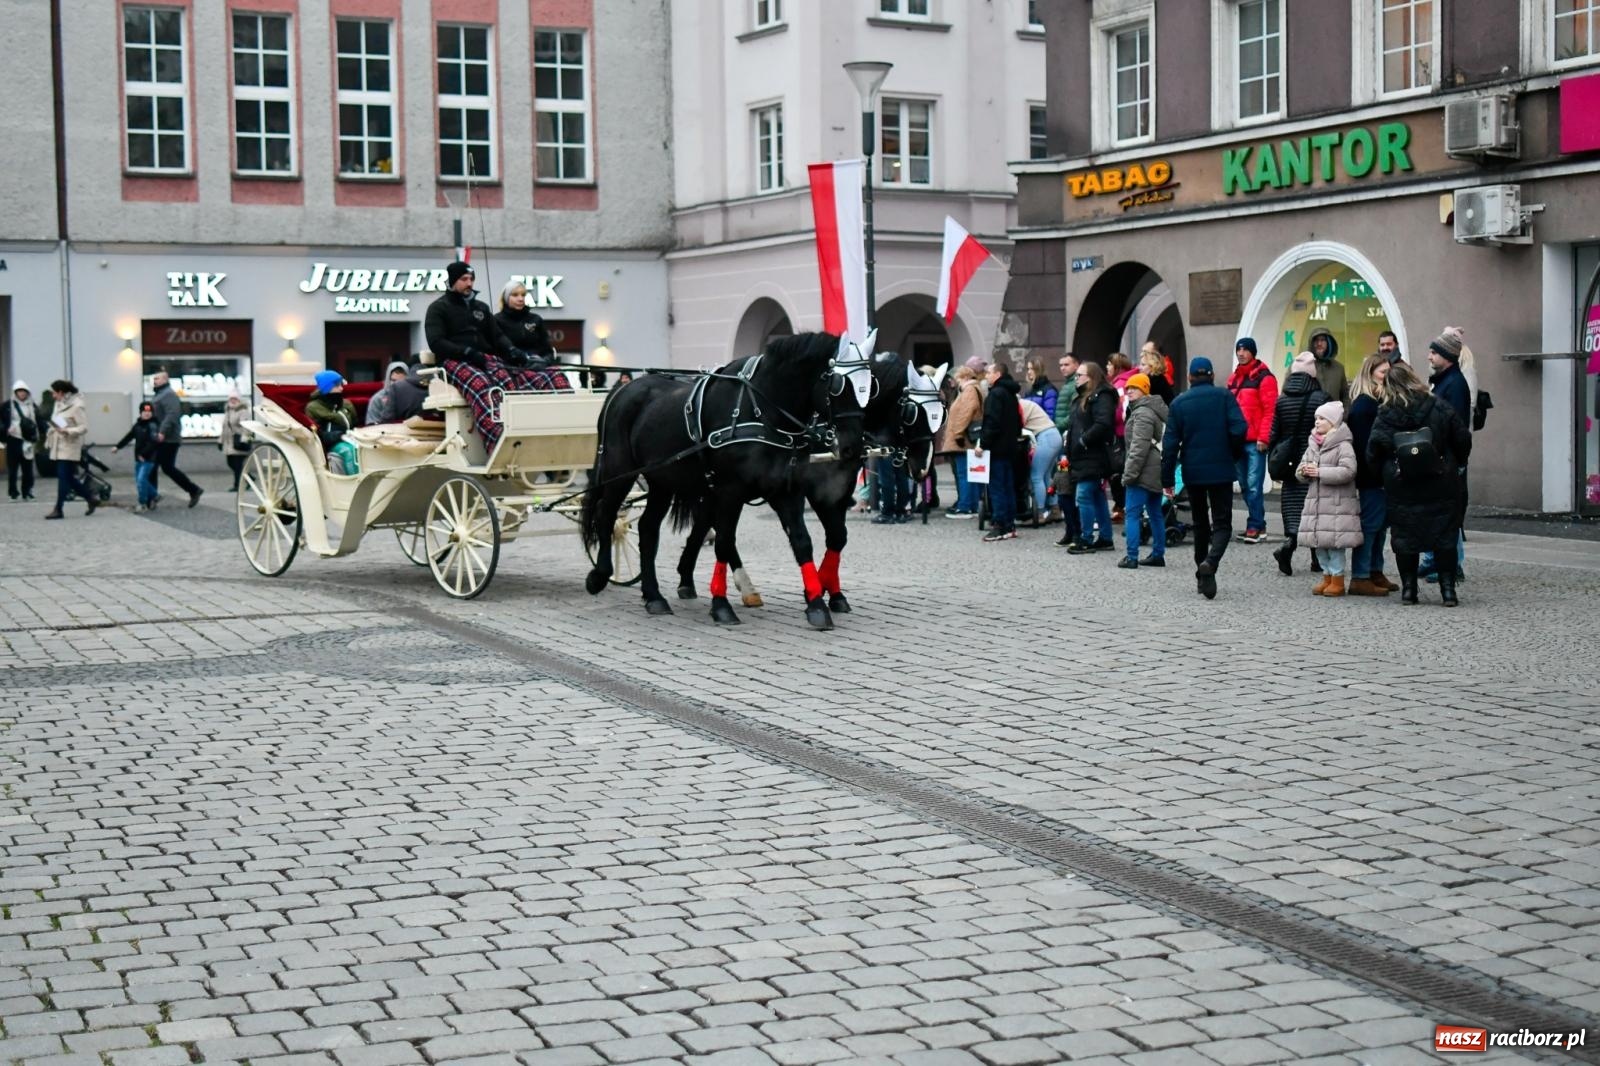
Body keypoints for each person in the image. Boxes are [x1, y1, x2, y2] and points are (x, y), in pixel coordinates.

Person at [1368, 361, 1472, 607]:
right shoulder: (1438, 405)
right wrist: (1453, 463)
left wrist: (1385, 474)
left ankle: (1409, 590)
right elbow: (1462, 438)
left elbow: (1373, 451)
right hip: (1440, 481)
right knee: (1444, 536)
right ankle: (1448, 591)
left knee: (1405, 538)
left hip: (1402, 484)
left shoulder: (1385, 413)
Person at [1160, 357, 1246, 600]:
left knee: (1199, 523)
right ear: (1211, 375)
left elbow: (1169, 445)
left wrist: (1167, 479)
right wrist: (1233, 454)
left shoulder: (1179, 403)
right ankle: (1211, 562)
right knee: (1222, 524)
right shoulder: (1225, 397)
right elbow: (1240, 428)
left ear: (1189, 377)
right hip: (1221, 469)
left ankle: (1202, 571)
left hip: (1193, 471)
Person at [1267, 353, 1329, 576]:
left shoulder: (1282, 400)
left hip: (1290, 462)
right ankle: (1317, 559)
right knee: (1314, 508)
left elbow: (1273, 434)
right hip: (1314, 459)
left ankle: (1289, 545)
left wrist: (1274, 464)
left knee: (1294, 508)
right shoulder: (1321, 399)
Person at [1294, 400, 1361, 597]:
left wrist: (1320, 472)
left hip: (1336, 504)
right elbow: (1300, 469)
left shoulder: (1343, 445)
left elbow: (1349, 471)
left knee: (1335, 545)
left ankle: (1338, 579)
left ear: (1333, 422)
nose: (1317, 422)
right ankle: (1327, 577)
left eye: (1322, 418)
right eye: (1316, 418)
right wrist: (1304, 472)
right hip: (1317, 503)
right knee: (1321, 545)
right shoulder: (1313, 443)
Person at [1346, 355, 1396, 596]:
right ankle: (1361, 575)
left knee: (1380, 526)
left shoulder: (1375, 402)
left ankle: (1375, 570)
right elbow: (1367, 446)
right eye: (1382, 372)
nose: (1387, 376)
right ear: (1371, 373)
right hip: (1371, 475)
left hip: (1378, 474)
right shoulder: (1365, 405)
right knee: (1370, 525)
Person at [425, 261, 532, 369]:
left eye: (471, 279)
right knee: (487, 385)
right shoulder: (438, 308)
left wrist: (512, 349)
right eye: (464, 279)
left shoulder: (481, 307)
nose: (469, 283)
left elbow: (497, 335)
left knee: (517, 382)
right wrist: (467, 352)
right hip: (454, 361)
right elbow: (436, 342)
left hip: (484, 359)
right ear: (453, 281)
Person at [1226, 337, 1278, 543]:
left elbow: (1270, 411)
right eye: (1238, 349)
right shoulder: (1233, 379)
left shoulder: (1265, 378)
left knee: (1254, 485)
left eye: (1245, 350)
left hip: (1256, 440)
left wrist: (1264, 438)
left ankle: (1255, 525)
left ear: (1252, 352)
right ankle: (1259, 524)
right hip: (1238, 440)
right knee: (1245, 485)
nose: (1241, 353)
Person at [1064, 361, 1117, 554]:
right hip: (1083, 455)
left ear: (1091, 377)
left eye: (1080, 375)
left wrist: (1083, 441)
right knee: (1096, 497)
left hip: (1093, 455)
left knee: (1084, 495)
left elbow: (1103, 423)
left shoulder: (1101, 396)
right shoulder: (1083, 397)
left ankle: (1086, 538)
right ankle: (1105, 537)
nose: (1076, 378)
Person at [1118, 372, 1168, 569]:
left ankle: (1131, 557)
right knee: (1155, 512)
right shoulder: (1150, 410)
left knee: (1132, 513)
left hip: (1143, 470)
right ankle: (1158, 554)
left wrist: (1129, 475)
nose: (1129, 390)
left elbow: (1139, 448)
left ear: (1144, 390)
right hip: (1154, 468)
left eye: (1135, 388)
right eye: (1128, 387)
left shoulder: (1143, 413)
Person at [972, 361, 1021, 542]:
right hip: (1010, 448)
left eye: (989, 373)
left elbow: (992, 423)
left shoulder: (995, 395)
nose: (986, 376)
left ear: (998, 374)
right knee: (1008, 487)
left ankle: (1000, 525)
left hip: (997, 449)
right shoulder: (1010, 394)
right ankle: (1009, 524)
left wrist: (982, 444)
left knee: (997, 488)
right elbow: (1018, 422)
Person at [149, 369, 204, 508]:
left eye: (158, 378)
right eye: (154, 378)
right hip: (160, 437)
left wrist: (162, 431)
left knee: (166, 467)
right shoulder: (159, 394)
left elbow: (172, 414)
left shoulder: (168, 394)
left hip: (169, 438)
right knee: (155, 467)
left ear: (165, 380)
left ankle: (193, 489)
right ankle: (152, 496)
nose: (155, 381)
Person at [43, 380, 96, 520]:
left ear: (61, 392)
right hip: (58, 445)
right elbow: (57, 420)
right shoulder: (59, 403)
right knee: (68, 478)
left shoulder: (77, 405)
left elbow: (84, 427)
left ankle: (58, 509)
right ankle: (91, 498)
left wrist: (67, 430)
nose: (53, 395)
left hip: (69, 446)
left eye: (54, 392)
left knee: (63, 478)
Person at [944, 358, 988, 518]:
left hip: (962, 439)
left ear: (964, 377)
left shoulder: (969, 390)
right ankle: (972, 505)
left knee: (964, 473)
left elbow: (966, 412)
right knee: (970, 473)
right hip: (965, 438)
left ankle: (965, 506)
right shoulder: (972, 389)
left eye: (958, 378)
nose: (956, 382)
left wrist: (957, 433)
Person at [494, 279, 557, 367]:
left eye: (523, 295)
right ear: (506, 298)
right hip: (510, 369)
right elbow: (495, 350)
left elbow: (548, 351)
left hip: (538, 367)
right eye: (515, 295)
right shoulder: (496, 320)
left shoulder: (536, 319)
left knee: (558, 376)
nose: (520, 299)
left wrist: (544, 361)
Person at [1020, 394, 1061, 525]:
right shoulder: (1025, 403)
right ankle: (1055, 509)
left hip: (1045, 437)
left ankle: (1039, 513)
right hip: (1054, 436)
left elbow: (1018, 426)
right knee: (1046, 476)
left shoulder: (1019, 406)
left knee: (1036, 476)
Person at [114, 401, 162, 512]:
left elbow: (153, 442)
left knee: (141, 480)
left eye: (149, 411)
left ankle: (143, 503)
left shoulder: (153, 425)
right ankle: (155, 495)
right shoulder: (138, 425)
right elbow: (129, 436)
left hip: (149, 458)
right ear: (140, 412)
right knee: (142, 480)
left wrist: (143, 454)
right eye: (145, 411)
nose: (147, 413)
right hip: (139, 458)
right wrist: (118, 447)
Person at [1107, 353, 1136, 521]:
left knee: (1118, 470)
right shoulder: (1129, 381)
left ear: (1118, 367)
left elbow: (1121, 412)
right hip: (1126, 433)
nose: (1107, 367)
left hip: (1120, 434)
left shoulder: (1119, 384)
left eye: (1110, 364)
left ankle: (1122, 505)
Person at [4, 380, 40, 500]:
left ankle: (27, 490)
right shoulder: (7, 406)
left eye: (24, 391)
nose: (22, 394)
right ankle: (13, 492)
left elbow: (39, 420)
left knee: (27, 468)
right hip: (13, 439)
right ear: (15, 392)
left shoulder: (32, 406)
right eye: (19, 391)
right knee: (13, 469)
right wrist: (5, 430)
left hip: (27, 440)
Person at [306, 370, 357, 449]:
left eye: (341, 384)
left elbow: (355, 424)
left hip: (351, 441)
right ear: (327, 388)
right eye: (337, 385)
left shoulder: (347, 404)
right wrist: (338, 436)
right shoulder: (313, 408)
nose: (341, 388)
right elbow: (315, 433)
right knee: (347, 450)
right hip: (329, 447)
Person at [365, 363, 430, 425]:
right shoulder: (377, 399)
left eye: (400, 382)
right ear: (388, 380)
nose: (396, 385)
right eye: (393, 380)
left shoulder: (412, 396)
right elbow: (371, 425)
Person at [219, 390, 251, 492]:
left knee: (237, 466)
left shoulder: (243, 411)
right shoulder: (228, 411)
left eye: (235, 399)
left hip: (238, 442)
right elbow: (224, 428)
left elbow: (246, 426)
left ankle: (238, 485)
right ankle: (249, 478)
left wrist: (244, 439)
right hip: (229, 443)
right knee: (230, 463)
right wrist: (220, 441)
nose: (233, 401)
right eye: (231, 399)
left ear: (239, 400)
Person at [1307, 328, 1348, 405]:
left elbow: (1345, 396)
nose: (1319, 343)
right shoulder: (1303, 366)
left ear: (1329, 343)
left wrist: (1344, 415)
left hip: (1334, 416)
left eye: (1323, 340)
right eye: (1316, 340)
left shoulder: (1338, 368)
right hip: (1309, 415)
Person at [1022, 357, 1058, 422]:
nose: (1029, 372)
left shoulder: (1049, 390)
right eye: (1028, 369)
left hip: (1042, 429)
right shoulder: (1029, 391)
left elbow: (1050, 415)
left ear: (1039, 370)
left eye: (1032, 369)